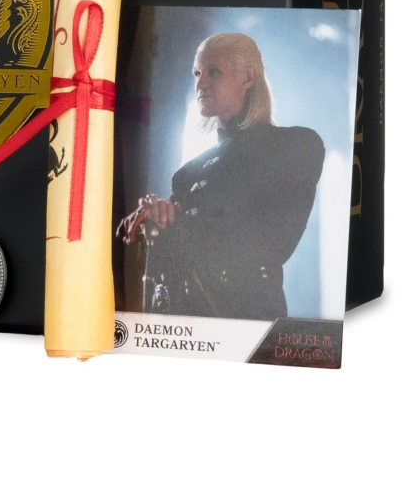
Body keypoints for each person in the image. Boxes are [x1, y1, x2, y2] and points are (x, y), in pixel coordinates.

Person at [116, 32, 324, 320]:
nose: (201, 83)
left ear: (247, 77)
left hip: (248, 324)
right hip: (180, 325)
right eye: (197, 73)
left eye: (214, 72)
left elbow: (271, 243)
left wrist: (178, 221)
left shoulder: (296, 145)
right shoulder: (186, 175)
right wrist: (153, 218)